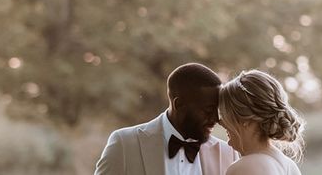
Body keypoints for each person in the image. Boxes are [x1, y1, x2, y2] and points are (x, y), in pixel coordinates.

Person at [95, 63, 238, 175]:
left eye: (216, 110)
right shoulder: (125, 144)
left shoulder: (227, 152)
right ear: (178, 104)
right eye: (208, 110)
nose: (216, 118)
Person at [218, 70, 304, 175]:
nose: (220, 122)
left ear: (245, 119)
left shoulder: (244, 168)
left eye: (224, 113)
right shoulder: (289, 166)